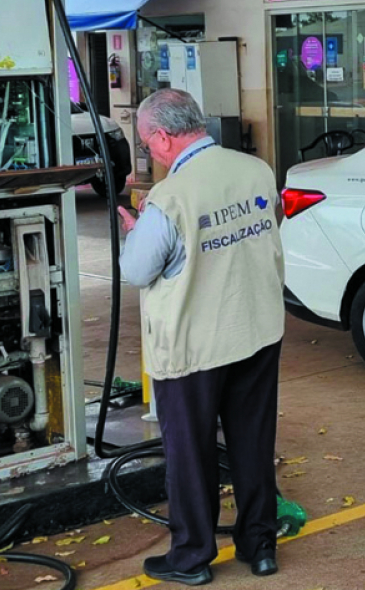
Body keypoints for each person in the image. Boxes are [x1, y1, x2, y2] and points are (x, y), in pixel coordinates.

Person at [118, 89, 285, 586]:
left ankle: (191, 557)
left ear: (164, 138)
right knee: (253, 444)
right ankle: (260, 547)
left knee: (191, 452)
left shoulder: (170, 199)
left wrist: (137, 229)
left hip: (196, 347)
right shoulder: (255, 170)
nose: (149, 154)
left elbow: (137, 270)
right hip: (256, 329)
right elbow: (260, 224)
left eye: (148, 145)